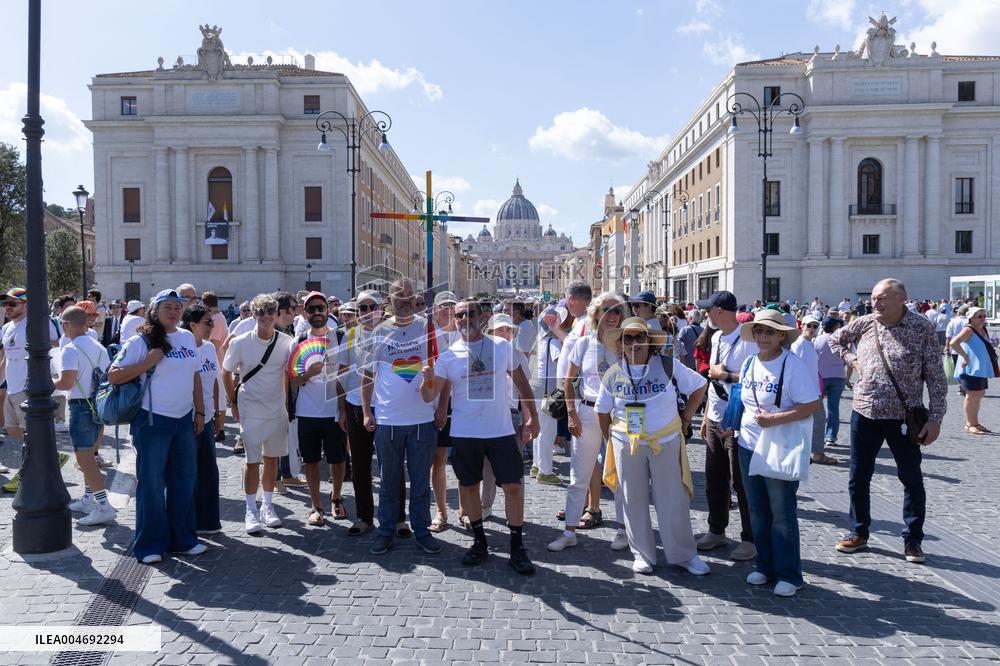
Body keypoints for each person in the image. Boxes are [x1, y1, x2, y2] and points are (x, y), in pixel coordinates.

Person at [830, 278, 947, 564]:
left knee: (911, 479)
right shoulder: (866, 322)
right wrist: (852, 360)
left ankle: (913, 540)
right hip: (865, 412)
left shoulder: (921, 328)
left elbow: (935, 376)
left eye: (882, 298)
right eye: (873, 297)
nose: (875, 302)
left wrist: (936, 418)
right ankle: (858, 532)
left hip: (903, 416)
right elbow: (835, 340)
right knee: (859, 477)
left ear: (902, 298)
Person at [420, 299, 539, 574]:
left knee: (513, 487)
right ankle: (479, 541)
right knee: (468, 486)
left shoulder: (501, 347)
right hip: (465, 433)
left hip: (501, 430)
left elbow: (521, 382)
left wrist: (531, 416)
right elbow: (429, 395)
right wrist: (426, 379)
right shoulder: (448, 357)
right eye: (459, 315)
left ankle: (517, 545)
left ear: (481, 316)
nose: (464, 319)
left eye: (470, 313)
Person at [595, 317, 710, 575]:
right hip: (627, 443)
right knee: (631, 499)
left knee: (673, 499)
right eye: (628, 338)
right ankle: (642, 553)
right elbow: (602, 411)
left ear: (649, 341)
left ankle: (683, 554)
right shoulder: (613, 373)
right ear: (621, 343)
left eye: (639, 337)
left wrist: (686, 417)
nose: (634, 343)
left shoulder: (668, 365)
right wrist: (610, 441)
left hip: (664, 440)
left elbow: (700, 385)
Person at [108, 289, 205, 564]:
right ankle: (149, 545)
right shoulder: (141, 340)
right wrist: (148, 362)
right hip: (153, 421)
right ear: (155, 311)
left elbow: (195, 375)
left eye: (178, 307)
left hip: (184, 419)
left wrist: (200, 411)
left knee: (185, 480)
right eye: (168, 307)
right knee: (151, 484)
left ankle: (183, 539)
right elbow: (114, 376)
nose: (174, 312)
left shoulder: (187, 337)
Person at [738, 310, 821, 597]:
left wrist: (775, 419)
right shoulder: (749, 361)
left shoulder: (792, 365)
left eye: (770, 332)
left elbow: (811, 404)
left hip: (779, 445)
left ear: (781, 336)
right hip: (748, 444)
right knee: (757, 509)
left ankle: (789, 573)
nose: (763, 337)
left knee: (781, 511)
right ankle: (765, 565)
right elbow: (745, 400)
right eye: (759, 331)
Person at [362, 278, 439, 555]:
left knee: (420, 482)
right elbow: (368, 376)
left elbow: (439, 374)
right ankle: (386, 530)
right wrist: (365, 411)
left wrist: (431, 385)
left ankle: (421, 530)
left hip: (421, 419)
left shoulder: (428, 329)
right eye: (399, 294)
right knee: (388, 482)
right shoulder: (379, 332)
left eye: (409, 295)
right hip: (388, 420)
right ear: (390, 300)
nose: (405, 299)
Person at [550, 291, 628, 552]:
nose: (612, 315)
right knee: (578, 475)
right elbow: (569, 382)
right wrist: (571, 413)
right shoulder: (582, 343)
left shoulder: (627, 344)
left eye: (617, 310)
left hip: (618, 417)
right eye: (606, 310)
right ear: (596, 313)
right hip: (587, 412)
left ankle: (622, 530)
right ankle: (569, 531)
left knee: (620, 476)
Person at [222, 293, 293, 535]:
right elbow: (226, 372)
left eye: (269, 312)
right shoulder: (240, 341)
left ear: (277, 314)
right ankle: (250, 509)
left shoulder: (286, 341)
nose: (265, 317)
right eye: (260, 313)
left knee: (272, 459)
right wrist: (232, 403)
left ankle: (268, 505)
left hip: (276, 408)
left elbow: (289, 372)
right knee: (251, 461)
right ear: (253, 315)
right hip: (249, 407)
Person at [695, 291, 757, 562]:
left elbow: (753, 379)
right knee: (714, 479)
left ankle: (750, 538)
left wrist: (726, 375)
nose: (705, 315)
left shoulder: (749, 340)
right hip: (716, 416)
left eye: (709, 310)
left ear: (720, 311)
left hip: (739, 421)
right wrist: (708, 414)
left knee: (740, 483)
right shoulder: (718, 336)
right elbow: (714, 383)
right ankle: (716, 529)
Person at [337, 290, 398, 537]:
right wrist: (341, 410)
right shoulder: (350, 336)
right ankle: (364, 516)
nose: (367, 312)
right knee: (360, 465)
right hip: (354, 406)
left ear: (381, 308)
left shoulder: (394, 335)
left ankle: (398, 518)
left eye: (372, 307)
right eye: (362, 308)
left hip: (387, 407)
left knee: (392, 466)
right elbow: (340, 375)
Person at [291, 292, 349, 526]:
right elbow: (291, 382)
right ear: (305, 313)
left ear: (328, 310)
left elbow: (345, 377)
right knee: (311, 461)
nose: (316, 313)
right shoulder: (299, 340)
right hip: (307, 411)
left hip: (333, 410)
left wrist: (343, 410)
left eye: (320, 308)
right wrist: (308, 374)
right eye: (312, 309)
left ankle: (336, 497)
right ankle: (316, 505)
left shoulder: (341, 337)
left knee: (338, 460)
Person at [54, 306, 115, 526]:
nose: (62, 328)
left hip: (80, 406)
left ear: (68, 325)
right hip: (98, 405)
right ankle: (89, 499)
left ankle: (103, 505)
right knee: (90, 455)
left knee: (84, 459)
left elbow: (66, 383)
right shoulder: (98, 346)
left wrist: (49, 381)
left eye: (62, 324)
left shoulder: (70, 349)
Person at [1, 288, 58, 478]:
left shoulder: (37, 323)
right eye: (5, 304)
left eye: (12, 304)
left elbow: (56, 344)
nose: (7, 308)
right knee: (11, 428)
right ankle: (52, 455)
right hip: (11, 386)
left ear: (26, 304)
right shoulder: (7, 327)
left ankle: (28, 473)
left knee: (29, 430)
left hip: (29, 387)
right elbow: (5, 358)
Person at [180, 304, 223, 534]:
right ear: (192, 325)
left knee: (208, 471)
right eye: (208, 322)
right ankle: (186, 523)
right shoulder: (180, 348)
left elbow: (215, 380)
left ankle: (207, 522)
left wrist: (217, 413)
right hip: (186, 418)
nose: (212, 326)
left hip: (206, 418)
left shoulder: (208, 348)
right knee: (187, 472)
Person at [530, 304, 569, 483]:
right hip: (550, 392)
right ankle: (545, 471)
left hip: (539, 390)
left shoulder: (541, 340)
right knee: (548, 431)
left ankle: (537, 465)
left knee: (539, 430)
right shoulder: (553, 342)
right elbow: (563, 362)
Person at [430, 290, 458, 532]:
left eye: (453, 306)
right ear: (436, 310)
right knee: (438, 460)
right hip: (438, 405)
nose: (449, 310)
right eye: (444, 306)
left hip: (464, 406)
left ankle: (467, 509)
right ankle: (441, 510)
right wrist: (440, 406)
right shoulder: (429, 337)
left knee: (464, 462)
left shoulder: (466, 335)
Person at [950, 307, 997, 435]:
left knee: (979, 394)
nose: (982, 318)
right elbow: (954, 343)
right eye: (979, 316)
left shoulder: (982, 329)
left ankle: (975, 422)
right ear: (971, 318)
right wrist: (964, 356)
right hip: (970, 368)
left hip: (980, 368)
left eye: (984, 316)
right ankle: (970, 424)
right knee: (971, 395)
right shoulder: (968, 330)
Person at [794, 315, 833, 465]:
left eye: (814, 326)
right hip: (807, 392)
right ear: (802, 326)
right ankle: (817, 453)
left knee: (814, 421)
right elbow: (796, 368)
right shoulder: (800, 344)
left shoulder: (808, 344)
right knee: (817, 421)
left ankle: (812, 452)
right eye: (808, 325)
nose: (811, 329)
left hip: (812, 390)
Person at [814, 316, 847, 449]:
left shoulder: (817, 340)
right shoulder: (840, 339)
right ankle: (831, 436)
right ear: (834, 327)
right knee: (834, 408)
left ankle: (817, 436)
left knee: (817, 408)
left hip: (821, 376)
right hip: (838, 375)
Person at [945, 305, 969, 396]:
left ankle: (961, 386)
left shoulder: (953, 321)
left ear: (958, 312)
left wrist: (947, 349)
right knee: (967, 368)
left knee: (957, 368)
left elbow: (948, 337)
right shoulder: (969, 321)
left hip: (955, 349)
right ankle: (966, 386)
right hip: (967, 349)